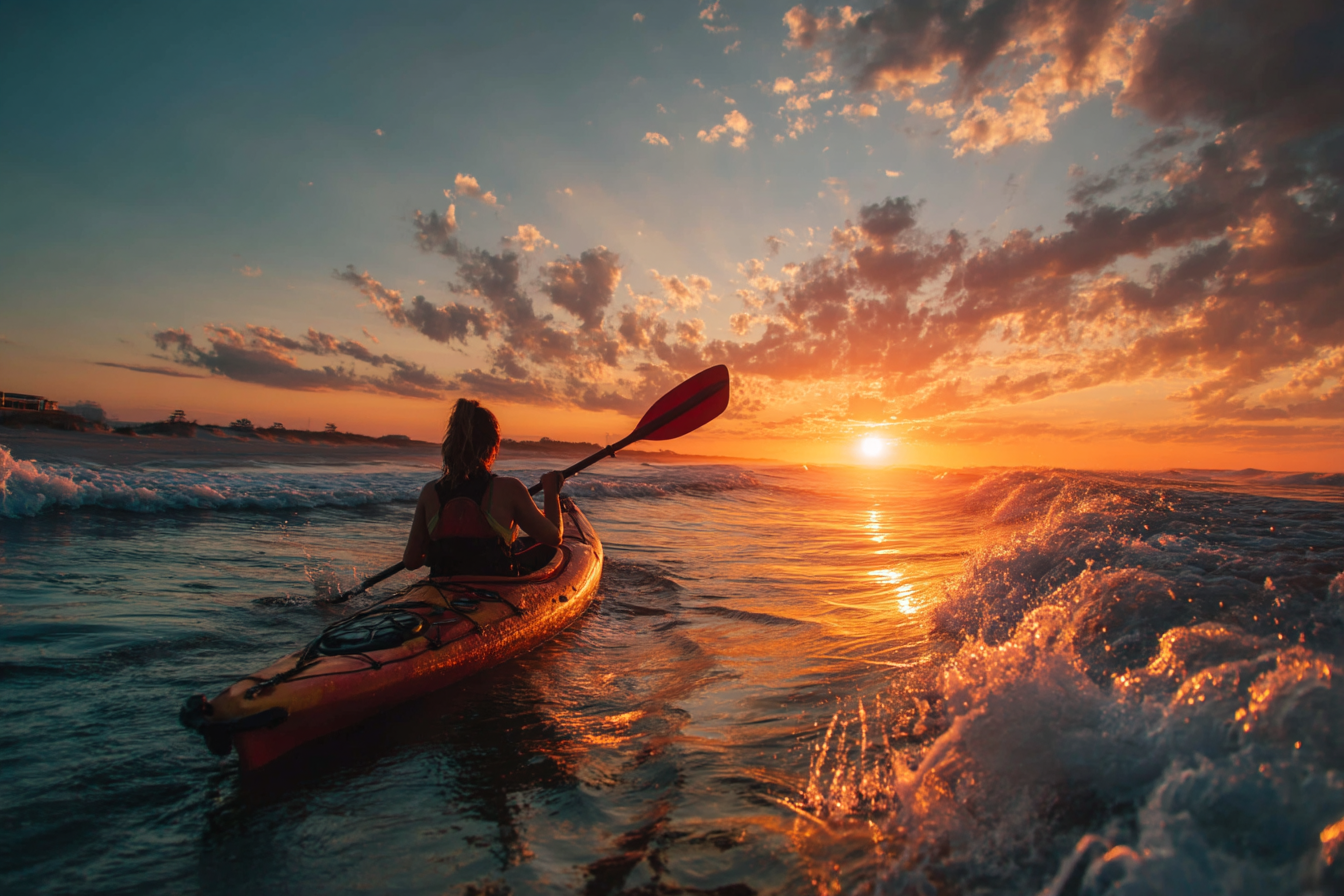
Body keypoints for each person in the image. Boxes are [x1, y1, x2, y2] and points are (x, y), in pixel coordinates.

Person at [403, 398, 565, 577]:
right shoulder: (510, 489)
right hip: (496, 591)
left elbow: (411, 561)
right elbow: (553, 538)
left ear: (450, 443)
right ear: (492, 446)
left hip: (444, 590)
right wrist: (551, 492)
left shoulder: (430, 491)